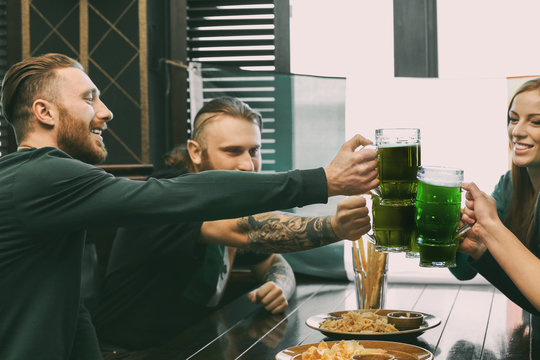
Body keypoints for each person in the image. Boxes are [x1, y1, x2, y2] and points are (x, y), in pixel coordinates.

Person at [0, 53, 379, 360]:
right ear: (44, 112)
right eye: (88, 98)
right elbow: (190, 203)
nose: (106, 111)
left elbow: (71, 309)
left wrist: (282, 277)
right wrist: (324, 182)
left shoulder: (55, 187)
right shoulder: (41, 177)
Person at [93, 97, 371, 354]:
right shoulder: (169, 196)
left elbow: (274, 261)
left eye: (254, 150)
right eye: (232, 151)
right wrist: (335, 227)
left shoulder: (231, 205)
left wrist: (277, 284)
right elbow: (248, 230)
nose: (248, 165)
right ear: (196, 152)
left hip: (191, 347)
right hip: (127, 354)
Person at [452, 77, 540, 315]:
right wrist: (470, 245)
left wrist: (490, 226)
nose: (517, 131)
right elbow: (463, 270)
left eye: (536, 122)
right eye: (513, 119)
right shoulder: (509, 185)